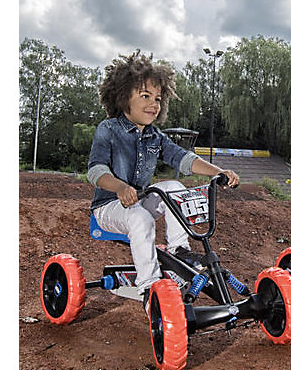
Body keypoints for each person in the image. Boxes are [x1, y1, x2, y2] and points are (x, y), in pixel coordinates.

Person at [87, 51, 240, 304]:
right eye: (145, 96)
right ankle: (149, 286)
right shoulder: (109, 129)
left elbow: (183, 158)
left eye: (158, 98)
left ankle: (179, 250)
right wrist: (120, 187)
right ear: (123, 97)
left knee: (174, 187)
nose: (154, 104)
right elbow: (96, 171)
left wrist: (218, 172)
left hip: (138, 203)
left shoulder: (154, 136)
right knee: (140, 217)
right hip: (109, 207)